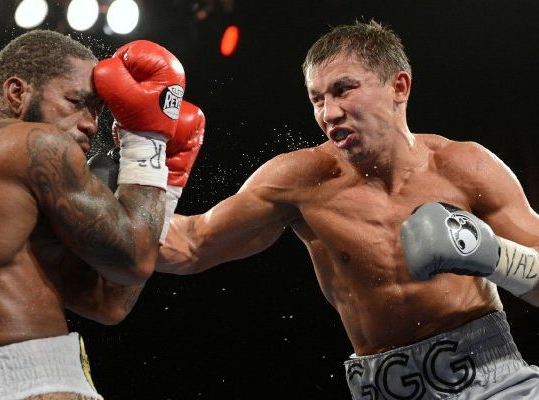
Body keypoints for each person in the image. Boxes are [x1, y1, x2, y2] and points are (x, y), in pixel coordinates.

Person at [154, 20, 539, 399]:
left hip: (496, 380)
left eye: (343, 90)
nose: (329, 113)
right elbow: (191, 245)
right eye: (317, 99)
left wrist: (493, 255)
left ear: (399, 87)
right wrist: (137, 168)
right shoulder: (302, 180)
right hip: (383, 390)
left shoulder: (466, 167)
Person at [0, 30, 203, 400]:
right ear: (17, 93)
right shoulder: (34, 143)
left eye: (96, 110)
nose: (91, 123)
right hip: (33, 383)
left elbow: (108, 303)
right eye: (76, 101)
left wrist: (167, 184)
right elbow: (135, 260)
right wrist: (147, 143)